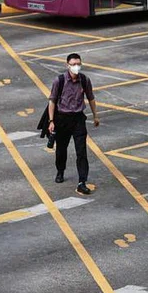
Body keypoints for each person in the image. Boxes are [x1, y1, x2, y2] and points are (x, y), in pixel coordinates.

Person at [48, 53, 99, 195]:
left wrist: (95, 115)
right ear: (67, 65)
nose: (76, 67)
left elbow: (91, 98)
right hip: (62, 119)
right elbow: (52, 101)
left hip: (78, 119)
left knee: (81, 151)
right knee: (61, 149)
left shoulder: (84, 80)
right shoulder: (59, 81)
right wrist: (51, 121)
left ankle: (82, 181)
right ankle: (60, 171)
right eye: (73, 64)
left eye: (78, 64)